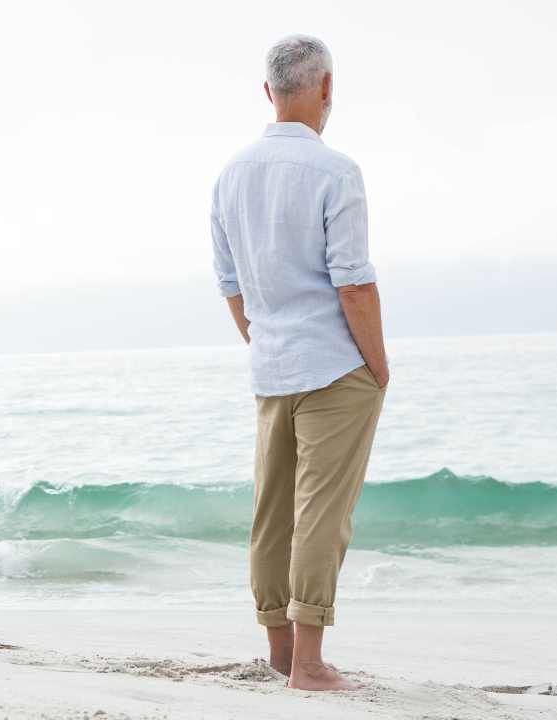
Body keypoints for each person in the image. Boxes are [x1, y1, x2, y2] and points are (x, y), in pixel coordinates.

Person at [209, 34, 389, 691]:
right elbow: (354, 281)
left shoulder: (232, 173)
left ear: (268, 92)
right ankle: (310, 666)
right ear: (326, 88)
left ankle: (282, 655)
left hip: (273, 366)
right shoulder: (335, 170)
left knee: (274, 510)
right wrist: (379, 365)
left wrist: (261, 342)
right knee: (320, 514)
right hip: (333, 364)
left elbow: (230, 283)